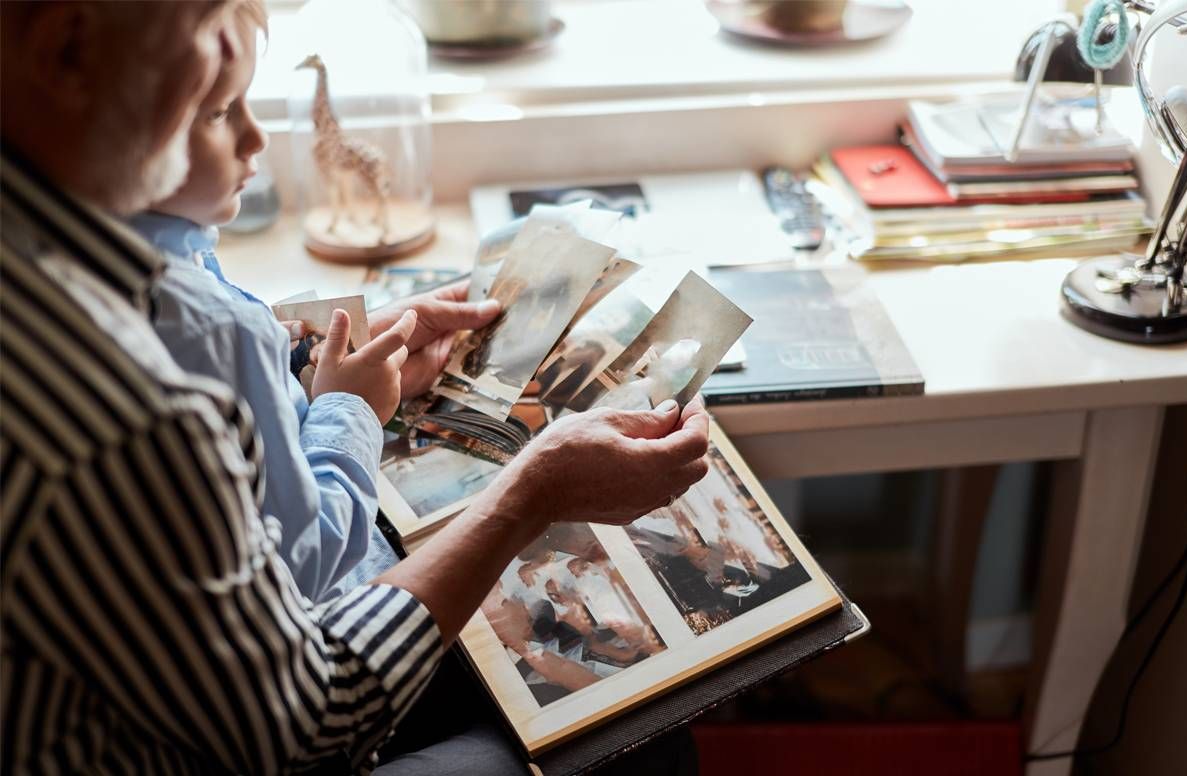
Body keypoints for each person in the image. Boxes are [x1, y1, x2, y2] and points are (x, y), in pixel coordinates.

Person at [0, 2, 709, 774]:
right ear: (66, 48)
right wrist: (528, 496)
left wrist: (298, 351)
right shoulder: (125, 412)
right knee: (635, 732)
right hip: (254, 733)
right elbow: (305, 722)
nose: (250, 128)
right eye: (206, 42)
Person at [125, 0, 500, 600]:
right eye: (221, 111)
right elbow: (304, 557)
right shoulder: (209, 327)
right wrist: (351, 408)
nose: (257, 136)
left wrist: (308, 366)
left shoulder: (184, 256)